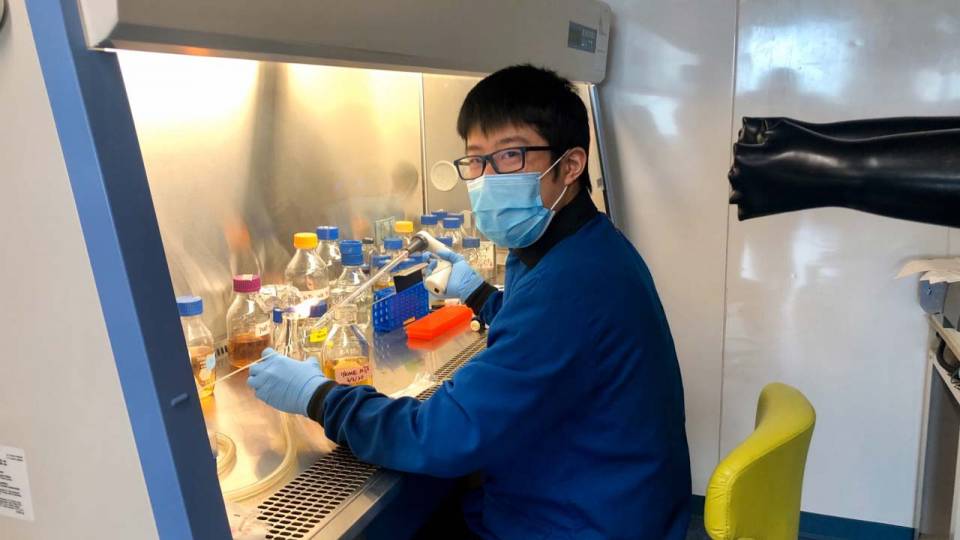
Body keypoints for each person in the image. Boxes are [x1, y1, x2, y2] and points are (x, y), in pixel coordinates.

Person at [248, 64, 691, 539]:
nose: (486, 178)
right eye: (476, 161)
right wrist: (479, 294)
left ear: (570, 165)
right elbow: (545, 342)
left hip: (582, 522)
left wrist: (318, 396)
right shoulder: (578, 244)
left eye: (511, 155)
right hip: (606, 497)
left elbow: (442, 436)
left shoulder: (573, 283)